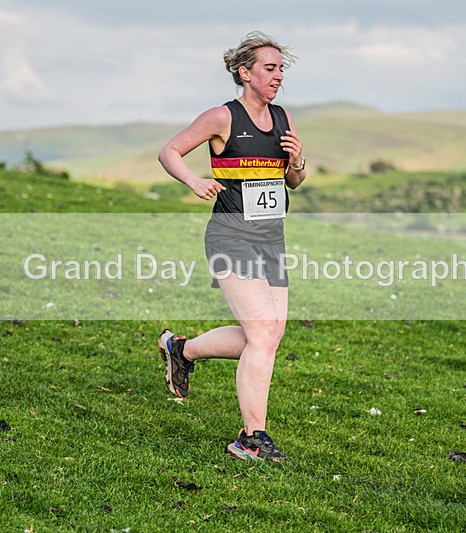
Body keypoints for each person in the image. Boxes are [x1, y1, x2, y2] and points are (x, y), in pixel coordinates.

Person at [156, 31, 307, 462]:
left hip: (271, 240)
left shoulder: (283, 118)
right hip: (231, 235)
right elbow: (170, 151)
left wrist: (297, 161)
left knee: (267, 337)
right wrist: (194, 180)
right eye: (270, 68)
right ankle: (250, 438)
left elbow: (293, 181)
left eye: (282, 69)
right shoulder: (223, 117)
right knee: (262, 334)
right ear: (245, 73)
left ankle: (180, 350)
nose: (279, 76)